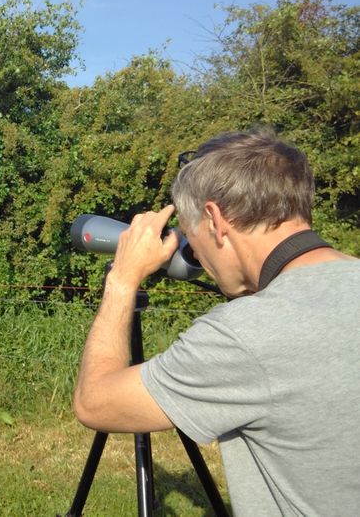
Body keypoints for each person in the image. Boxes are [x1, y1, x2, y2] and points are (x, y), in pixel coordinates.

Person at [73, 130, 360, 516]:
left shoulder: (247, 334)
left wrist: (123, 278)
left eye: (191, 237)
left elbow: (95, 403)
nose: (198, 257)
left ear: (215, 219)